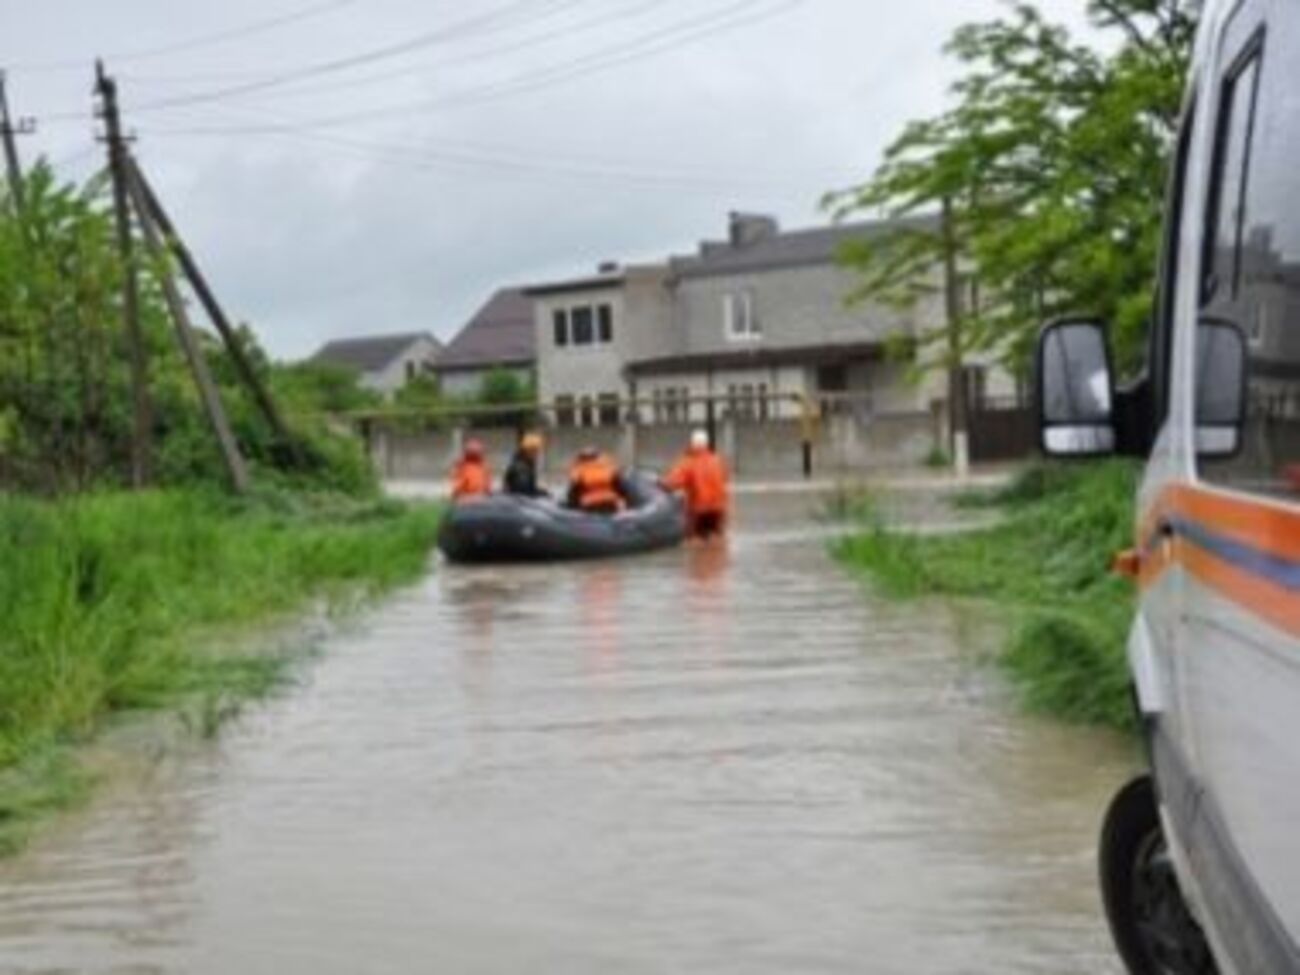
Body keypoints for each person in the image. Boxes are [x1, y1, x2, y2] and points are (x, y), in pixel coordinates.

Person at [662, 429, 729, 539]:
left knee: (694, 540)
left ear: (693, 443)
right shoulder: (717, 460)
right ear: (706, 444)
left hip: (698, 509)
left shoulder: (689, 461)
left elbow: (673, 482)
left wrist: (661, 484)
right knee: (717, 539)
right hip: (718, 509)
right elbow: (725, 478)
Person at [567, 445, 625, 515]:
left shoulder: (579, 469)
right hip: (611, 502)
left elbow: (573, 492)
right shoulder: (609, 466)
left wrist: (571, 506)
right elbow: (620, 487)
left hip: (589, 504)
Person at [503, 432, 548, 497]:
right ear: (528, 451)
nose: (538, 455)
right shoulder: (521, 468)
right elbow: (523, 491)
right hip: (518, 501)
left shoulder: (524, 464)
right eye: (536, 451)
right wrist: (541, 493)